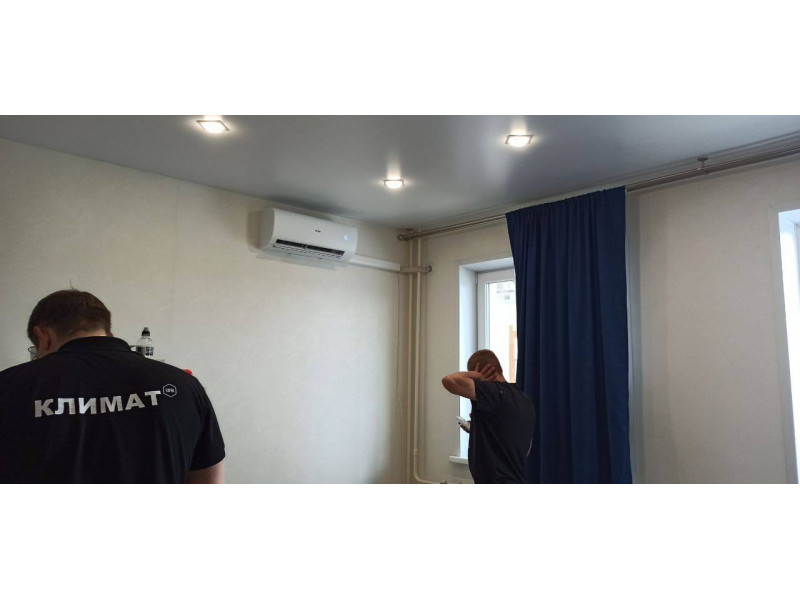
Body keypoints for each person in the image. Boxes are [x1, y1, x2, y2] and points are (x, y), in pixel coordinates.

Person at [0, 289, 226, 483]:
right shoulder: (182, 384)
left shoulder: (9, 386)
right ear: (108, 332)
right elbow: (208, 478)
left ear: (44, 336)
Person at [442, 349, 535, 484]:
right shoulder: (524, 399)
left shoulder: (494, 391)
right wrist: (478, 428)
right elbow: (525, 449)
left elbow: (449, 381)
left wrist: (473, 375)